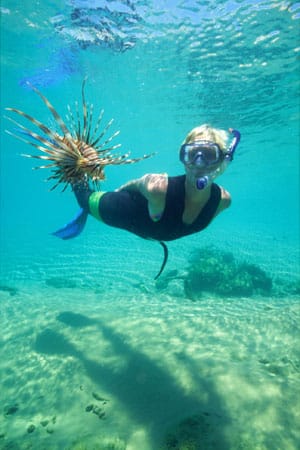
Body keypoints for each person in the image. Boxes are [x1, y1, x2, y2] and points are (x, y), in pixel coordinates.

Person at [53, 124, 241, 277]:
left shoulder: (223, 201)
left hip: (153, 228)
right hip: (127, 211)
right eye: (192, 155)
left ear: (222, 160)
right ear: (183, 159)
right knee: (84, 200)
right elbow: (138, 183)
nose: (199, 163)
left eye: (209, 155)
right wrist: (117, 193)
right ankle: (67, 152)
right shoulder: (158, 188)